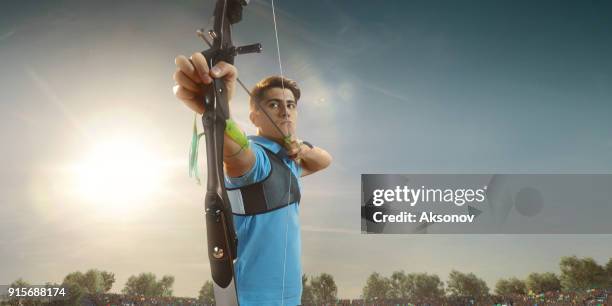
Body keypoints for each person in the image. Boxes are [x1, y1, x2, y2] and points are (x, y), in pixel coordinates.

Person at [173, 52, 332, 305]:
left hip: (289, 295)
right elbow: (235, 150)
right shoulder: (256, 158)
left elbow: (325, 160)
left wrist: (301, 149)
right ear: (254, 117)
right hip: (254, 297)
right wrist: (217, 109)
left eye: (291, 105)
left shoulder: (290, 158)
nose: (285, 111)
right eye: (273, 105)